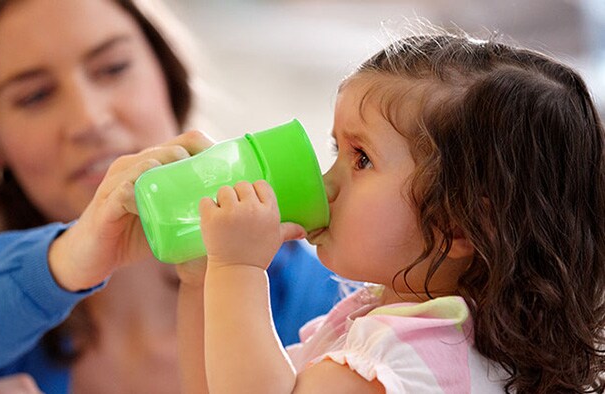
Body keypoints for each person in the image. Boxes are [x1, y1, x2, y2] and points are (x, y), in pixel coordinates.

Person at [0, 0, 339, 392]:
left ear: (166, 77)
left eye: (113, 68)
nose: (89, 119)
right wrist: (64, 259)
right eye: (34, 96)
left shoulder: (330, 301)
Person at [176, 32, 605, 393]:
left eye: (361, 159)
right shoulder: (448, 340)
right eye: (336, 151)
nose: (326, 182)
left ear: (456, 223)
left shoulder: (396, 361)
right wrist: (203, 280)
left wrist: (237, 268)